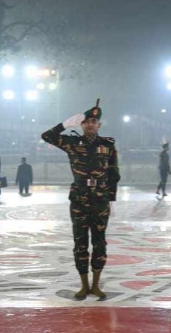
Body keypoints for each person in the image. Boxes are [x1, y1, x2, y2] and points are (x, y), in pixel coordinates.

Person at [41, 99, 120, 299]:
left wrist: (112, 199)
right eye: (86, 121)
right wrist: (65, 125)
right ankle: (84, 285)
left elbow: (113, 174)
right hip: (79, 200)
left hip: (100, 200)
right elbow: (47, 136)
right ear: (82, 124)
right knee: (80, 242)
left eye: (94, 121)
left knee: (100, 242)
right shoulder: (72, 143)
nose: (90, 124)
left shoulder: (108, 146)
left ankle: (96, 284)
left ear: (99, 125)